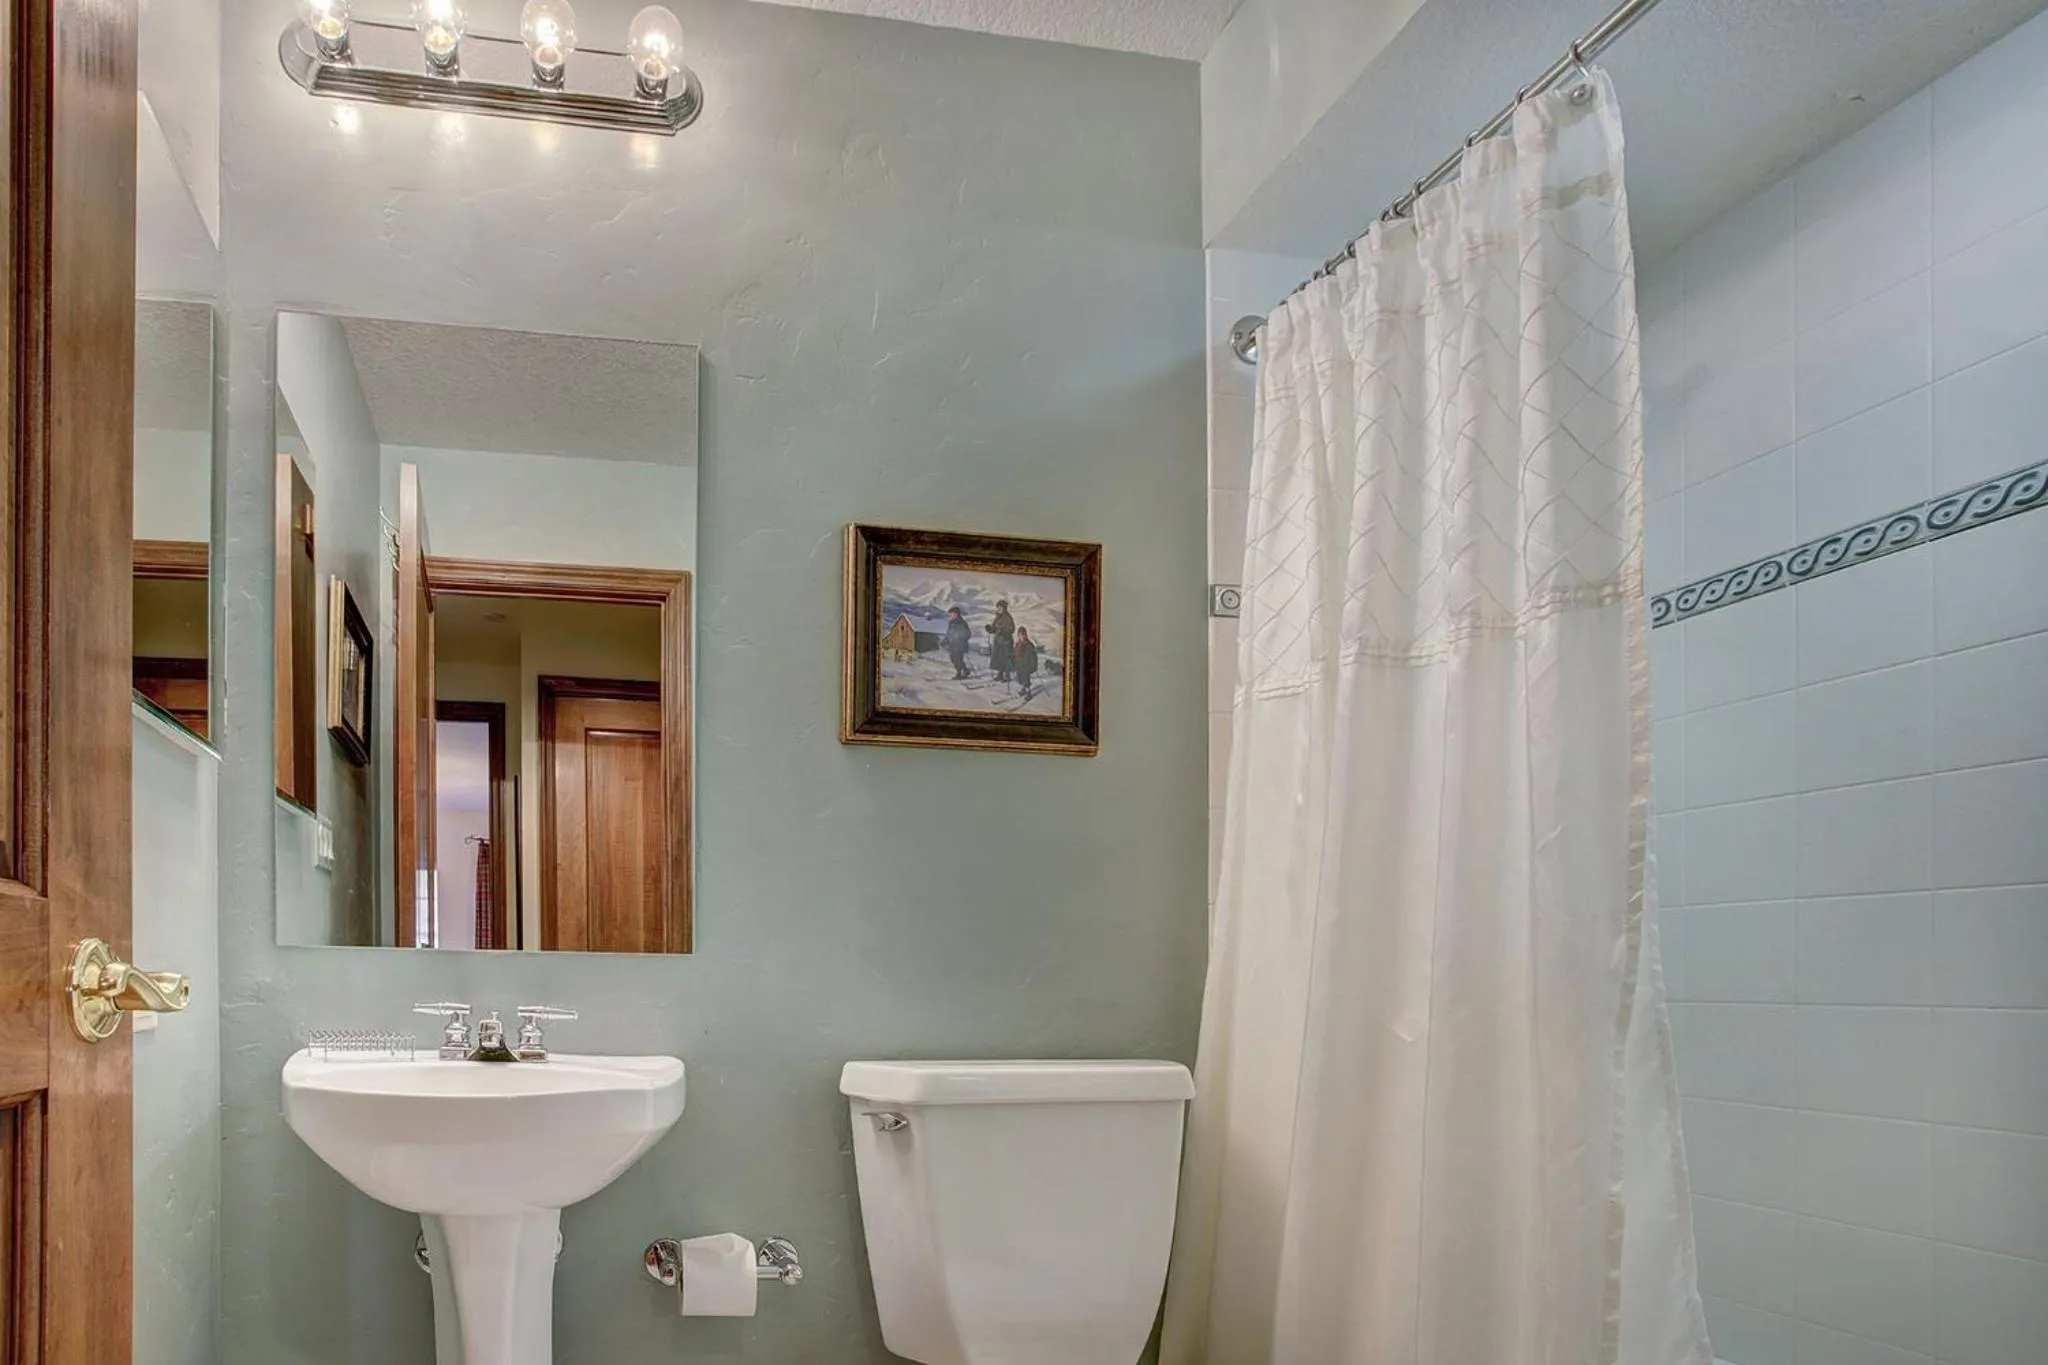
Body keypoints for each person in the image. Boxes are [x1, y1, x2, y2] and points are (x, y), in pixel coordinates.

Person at [987, 599, 1016, 682]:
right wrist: (990, 629)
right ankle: (1000, 674)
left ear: (1004, 608)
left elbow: (1011, 629)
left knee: (1006, 659)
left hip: (1006, 642)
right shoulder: (997, 618)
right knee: (999, 658)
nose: (999, 609)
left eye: (1000, 608)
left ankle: (1007, 676)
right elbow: (995, 628)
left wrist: (1006, 634)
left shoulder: (1008, 617)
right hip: (998, 641)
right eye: (998, 608)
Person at [943, 605, 972, 679]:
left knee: (958, 659)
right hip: (953, 644)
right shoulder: (951, 623)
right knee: (953, 658)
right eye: (951, 614)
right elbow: (948, 633)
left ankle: (959, 674)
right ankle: (965, 670)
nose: (951, 615)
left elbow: (968, 634)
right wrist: (944, 641)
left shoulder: (962, 623)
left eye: (953, 614)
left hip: (960, 645)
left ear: (957, 614)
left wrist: (960, 638)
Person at [1013, 627, 1039, 701]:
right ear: (1018, 635)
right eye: (1020, 635)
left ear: (1026, 635)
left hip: (1026, 665)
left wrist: (1034, 666)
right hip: (1019, 665)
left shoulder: (1029, 645)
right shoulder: (1017, 644)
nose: (1022, 636)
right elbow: (1015, 654)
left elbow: (1033, 657)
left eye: (1023, 634)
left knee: (1026, 680)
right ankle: (1023, 689)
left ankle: (1028, 693)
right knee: (1020, 679)